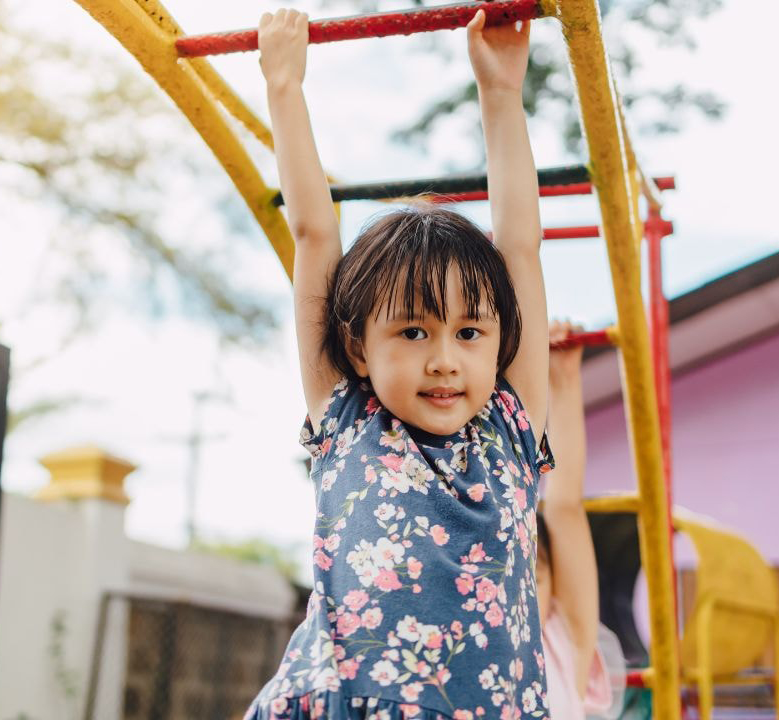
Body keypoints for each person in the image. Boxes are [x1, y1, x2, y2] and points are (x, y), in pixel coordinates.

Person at [247, 8, 552, 719]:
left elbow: (519, 246)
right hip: (345, 703)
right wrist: (284, 85)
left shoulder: (509, 426)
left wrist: (502, 93)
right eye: (413, 333)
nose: (445, 360)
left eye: (469, 333)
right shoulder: (347, 416)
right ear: (359, 347)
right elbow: (314, 232)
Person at [537, 322, 614, 720]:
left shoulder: (560, 643)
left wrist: (562, 380)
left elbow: (564, 507)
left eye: (532, 579)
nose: (517, 596)